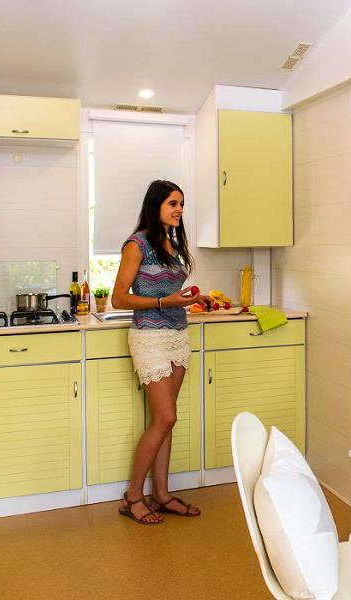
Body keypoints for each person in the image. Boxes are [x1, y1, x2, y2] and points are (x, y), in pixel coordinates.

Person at [111, 180, 210, 525]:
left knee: (165, 420)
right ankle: (133, 497)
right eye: (172, 203)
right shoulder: (137, 244)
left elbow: (171, 293)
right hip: (149, 336)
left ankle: (162, 495)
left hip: (177, 334)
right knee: (166, 418)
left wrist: (192, 298)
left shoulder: (172, 243)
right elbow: (118, 298)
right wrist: (163, 301)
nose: (179, 210)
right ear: (155, 205)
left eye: (181, 204)